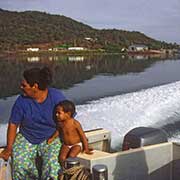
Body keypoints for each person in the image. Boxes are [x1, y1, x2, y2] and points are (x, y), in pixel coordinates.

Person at [0, 67, 66, 180]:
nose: (21, 87)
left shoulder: (56, 97)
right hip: (27, 137)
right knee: (20, 165)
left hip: (51, 137)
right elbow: (13, 124)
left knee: (52, 166)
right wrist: (9, 148)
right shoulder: (21, 101)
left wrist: (55, 136)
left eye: (24, 85)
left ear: (35, 86)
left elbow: (67, 121)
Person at [47, 100, 93, 166]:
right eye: (56, 113)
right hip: (66, 144)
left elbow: (83, 136)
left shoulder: (75, 123)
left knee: (71, 156)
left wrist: (86, 148)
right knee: (61, 158)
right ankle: (64, 170)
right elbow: (58, 131)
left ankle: (71, 170)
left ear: (68, 114)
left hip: (76, 144)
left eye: (59, 113)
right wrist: (52, 138)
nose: (56, 115)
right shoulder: (60, 124)